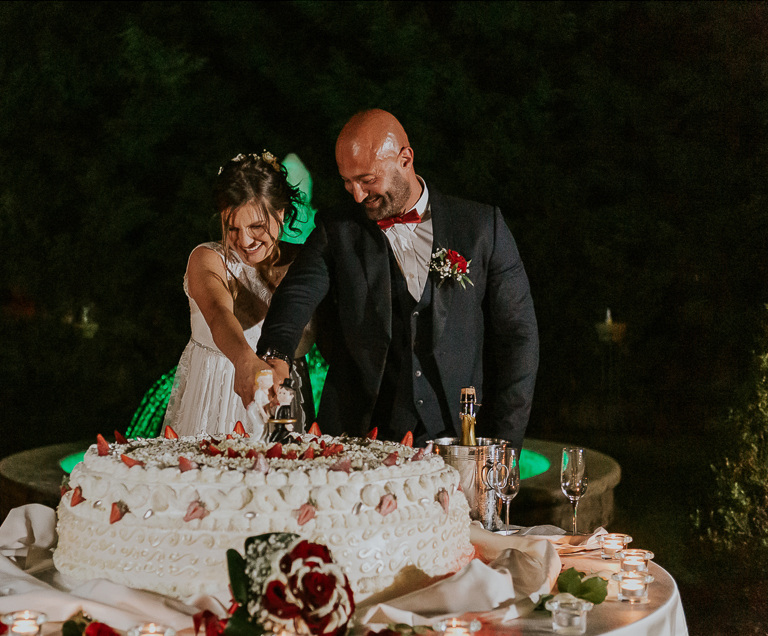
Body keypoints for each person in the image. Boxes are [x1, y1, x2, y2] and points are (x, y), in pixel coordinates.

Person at [243, 109, 539, 449]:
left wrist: (505, 444)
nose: (356, 195)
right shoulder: (337, 229)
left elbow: (519, 337)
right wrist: (276, 354)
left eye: (367, 180)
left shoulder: (482, 227)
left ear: (405, 159)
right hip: (358, 433)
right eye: (347, 181)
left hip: (456, 433)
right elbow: (296, 295)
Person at [163, 152, 314, 436]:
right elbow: (219, 315)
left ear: (280, 213)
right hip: (215, 409)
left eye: (256, 226)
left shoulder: (308, 265)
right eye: (232, 228)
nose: (244, 241)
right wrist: (245, 361)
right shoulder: (207, 260)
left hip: (287, 406)